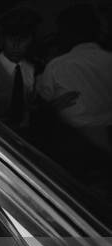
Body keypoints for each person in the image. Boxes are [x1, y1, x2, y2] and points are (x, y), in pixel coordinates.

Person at [36, 4, 112, 154]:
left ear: (65, 33)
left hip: (74, 144)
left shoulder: (57, 66)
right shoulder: (109, 59)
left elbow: (42, 103)